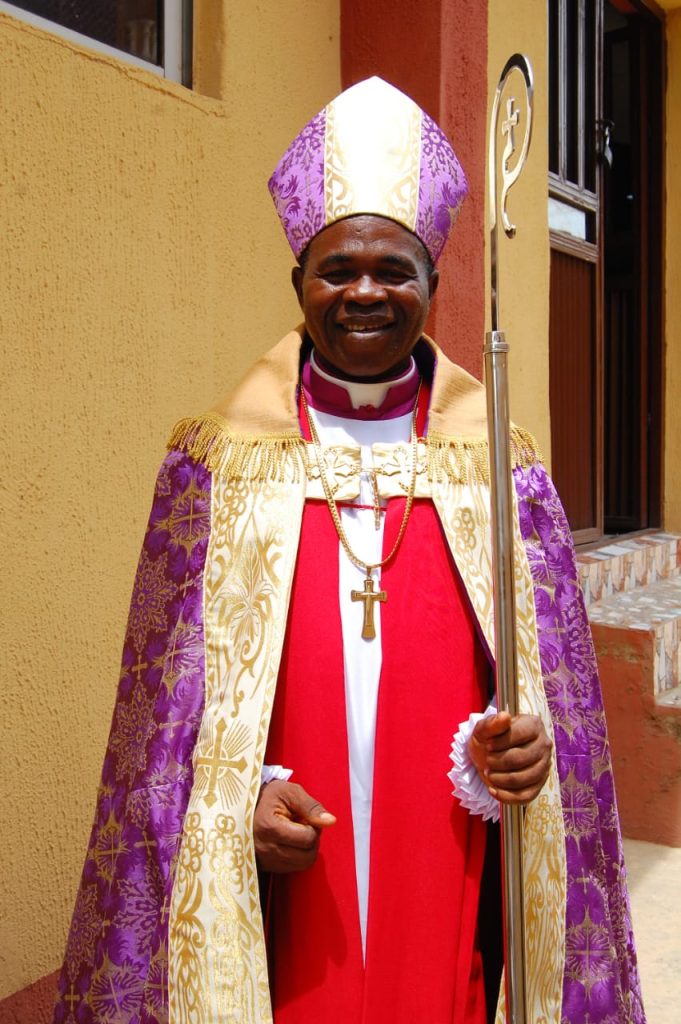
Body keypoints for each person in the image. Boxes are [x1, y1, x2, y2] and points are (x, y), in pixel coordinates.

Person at [54, 78, 645, 1024]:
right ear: (299, 282)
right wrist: (237, 803)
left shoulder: (499, 468)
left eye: (393, 270)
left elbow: (551, 697)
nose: (364, 292)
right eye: (337, 269)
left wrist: (531, 749)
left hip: (445, 850)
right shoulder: (218, 463)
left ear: (432, 285)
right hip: (287, 884)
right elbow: (161, 731)